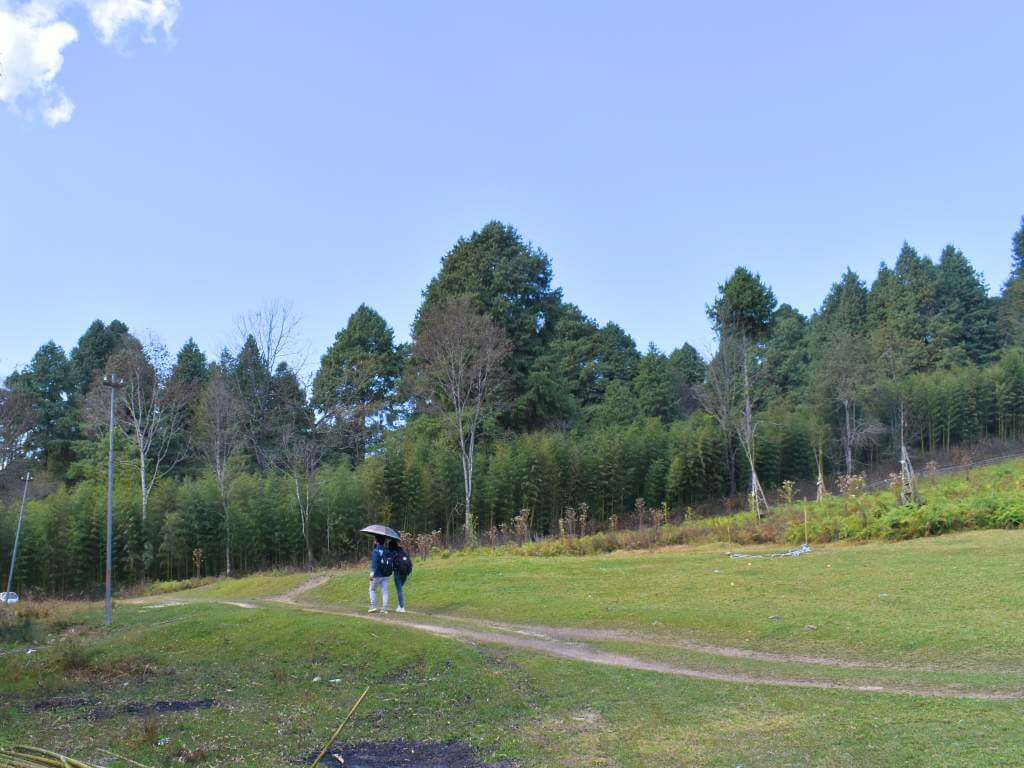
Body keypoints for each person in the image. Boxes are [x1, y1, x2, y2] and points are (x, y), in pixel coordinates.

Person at [388, 538, 411, 613]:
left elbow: (390, 563)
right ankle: (399, 606)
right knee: (400, 588)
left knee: (399, 590)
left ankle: (402, 607)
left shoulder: (392, 552)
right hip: (405, 573)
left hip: (397, 573)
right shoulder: (402, 551)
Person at [368, 535, 390, 613]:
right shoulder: (387, 551)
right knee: (384, 591)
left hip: (377, 574)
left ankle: (373, 606)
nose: (374, 540)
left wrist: (371, 575)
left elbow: (374, 564)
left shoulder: (375, 551)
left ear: (377, 541)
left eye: (375, 539)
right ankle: (385, 608)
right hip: (386, 574)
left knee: (372, 589)